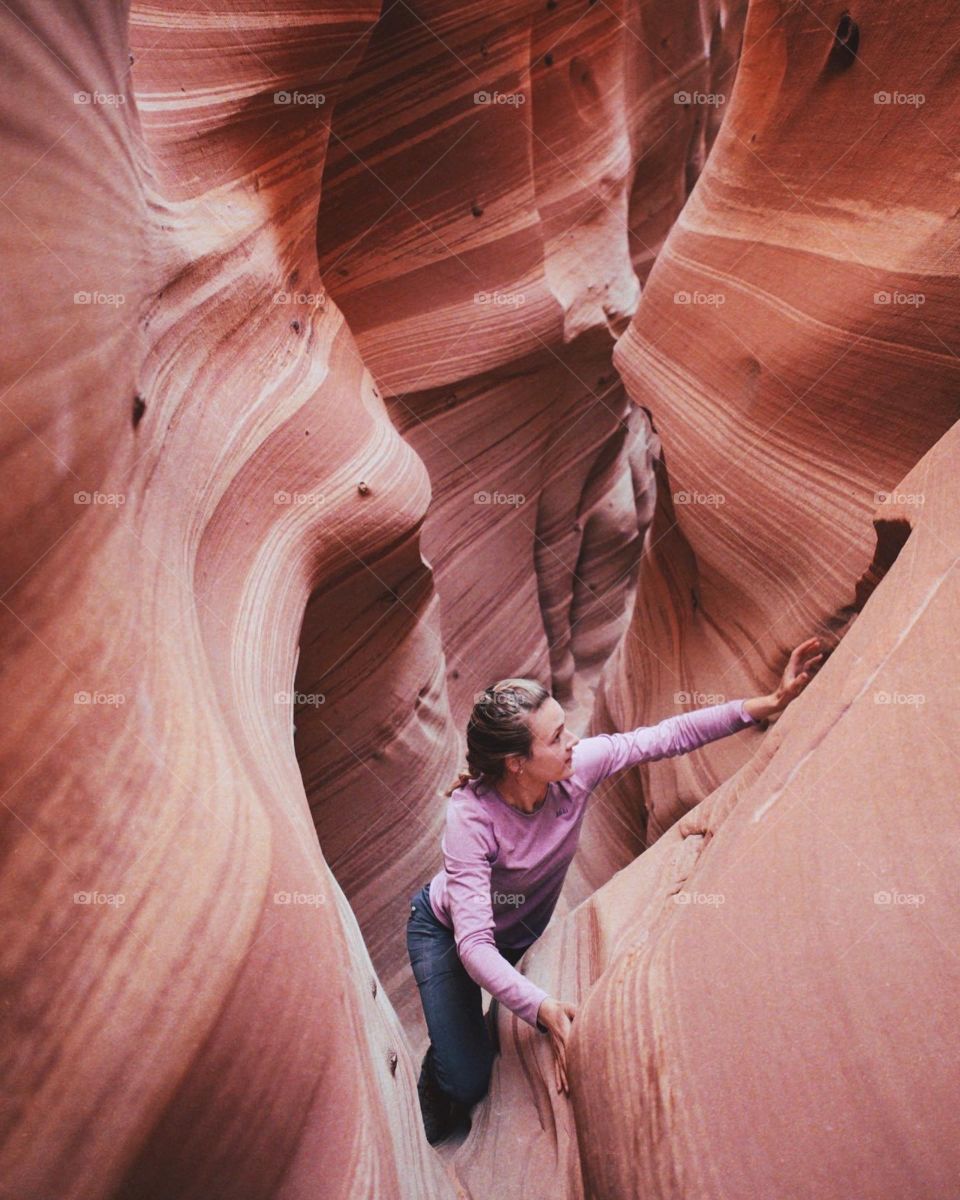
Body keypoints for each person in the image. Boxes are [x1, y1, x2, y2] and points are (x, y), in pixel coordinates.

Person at [406, 637, 824, 1144]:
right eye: (556, 737)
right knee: (468, 1080)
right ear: (516, 762)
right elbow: (473, 945)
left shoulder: (576, 768)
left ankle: (461, 1034)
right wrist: (542, 1009)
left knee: (491, 1035)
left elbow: (665, 737)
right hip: (446, 933)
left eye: (565, 728)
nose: (572, 742)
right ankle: (440, 1071)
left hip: (515, 934)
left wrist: (768, 703)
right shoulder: (471, 819)